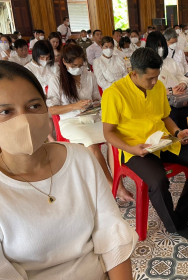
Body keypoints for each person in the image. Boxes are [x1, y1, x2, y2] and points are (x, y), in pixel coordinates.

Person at [0, 60, 138, 280]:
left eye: (34, 106)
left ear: (45, 109)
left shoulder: (80, 160)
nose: (24, 120)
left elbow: (112, 236)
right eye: (5, 112)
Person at [101, 47, 188, 240]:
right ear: (133, 73)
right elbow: (108, 134)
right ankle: (174, 225)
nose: (155, 82)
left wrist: (178, 132)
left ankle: (182, 213)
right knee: (157, 181)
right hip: (134, 148)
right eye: (150, 78)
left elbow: (165, 117)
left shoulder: (158, 88)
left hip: (162, 141)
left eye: (157, 77)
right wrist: (132, 149)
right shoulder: (114, 93)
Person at [47, 44, 125, 200]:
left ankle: (119, 183)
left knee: (113, 137)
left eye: (80, 65)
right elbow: (52, 109)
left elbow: (98, 98)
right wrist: (74, 106)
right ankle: (111, 185)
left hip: (91, 117)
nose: (77, 68)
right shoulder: (56, 79)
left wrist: (94, 103)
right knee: (91, 143)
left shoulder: (89, 75)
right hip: (70, 122)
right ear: (64, 62)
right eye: (73, 65)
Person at [146, 31, 188, 129]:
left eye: (163, 45)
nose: (161, 49)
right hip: (162, 102)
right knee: (172, 117)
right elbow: (147, 90)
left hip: (180, 99)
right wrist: (170, 91)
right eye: (158, 46)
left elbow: (182, 77)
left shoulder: (170, 61)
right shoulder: (146, 65)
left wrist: (182, 84)